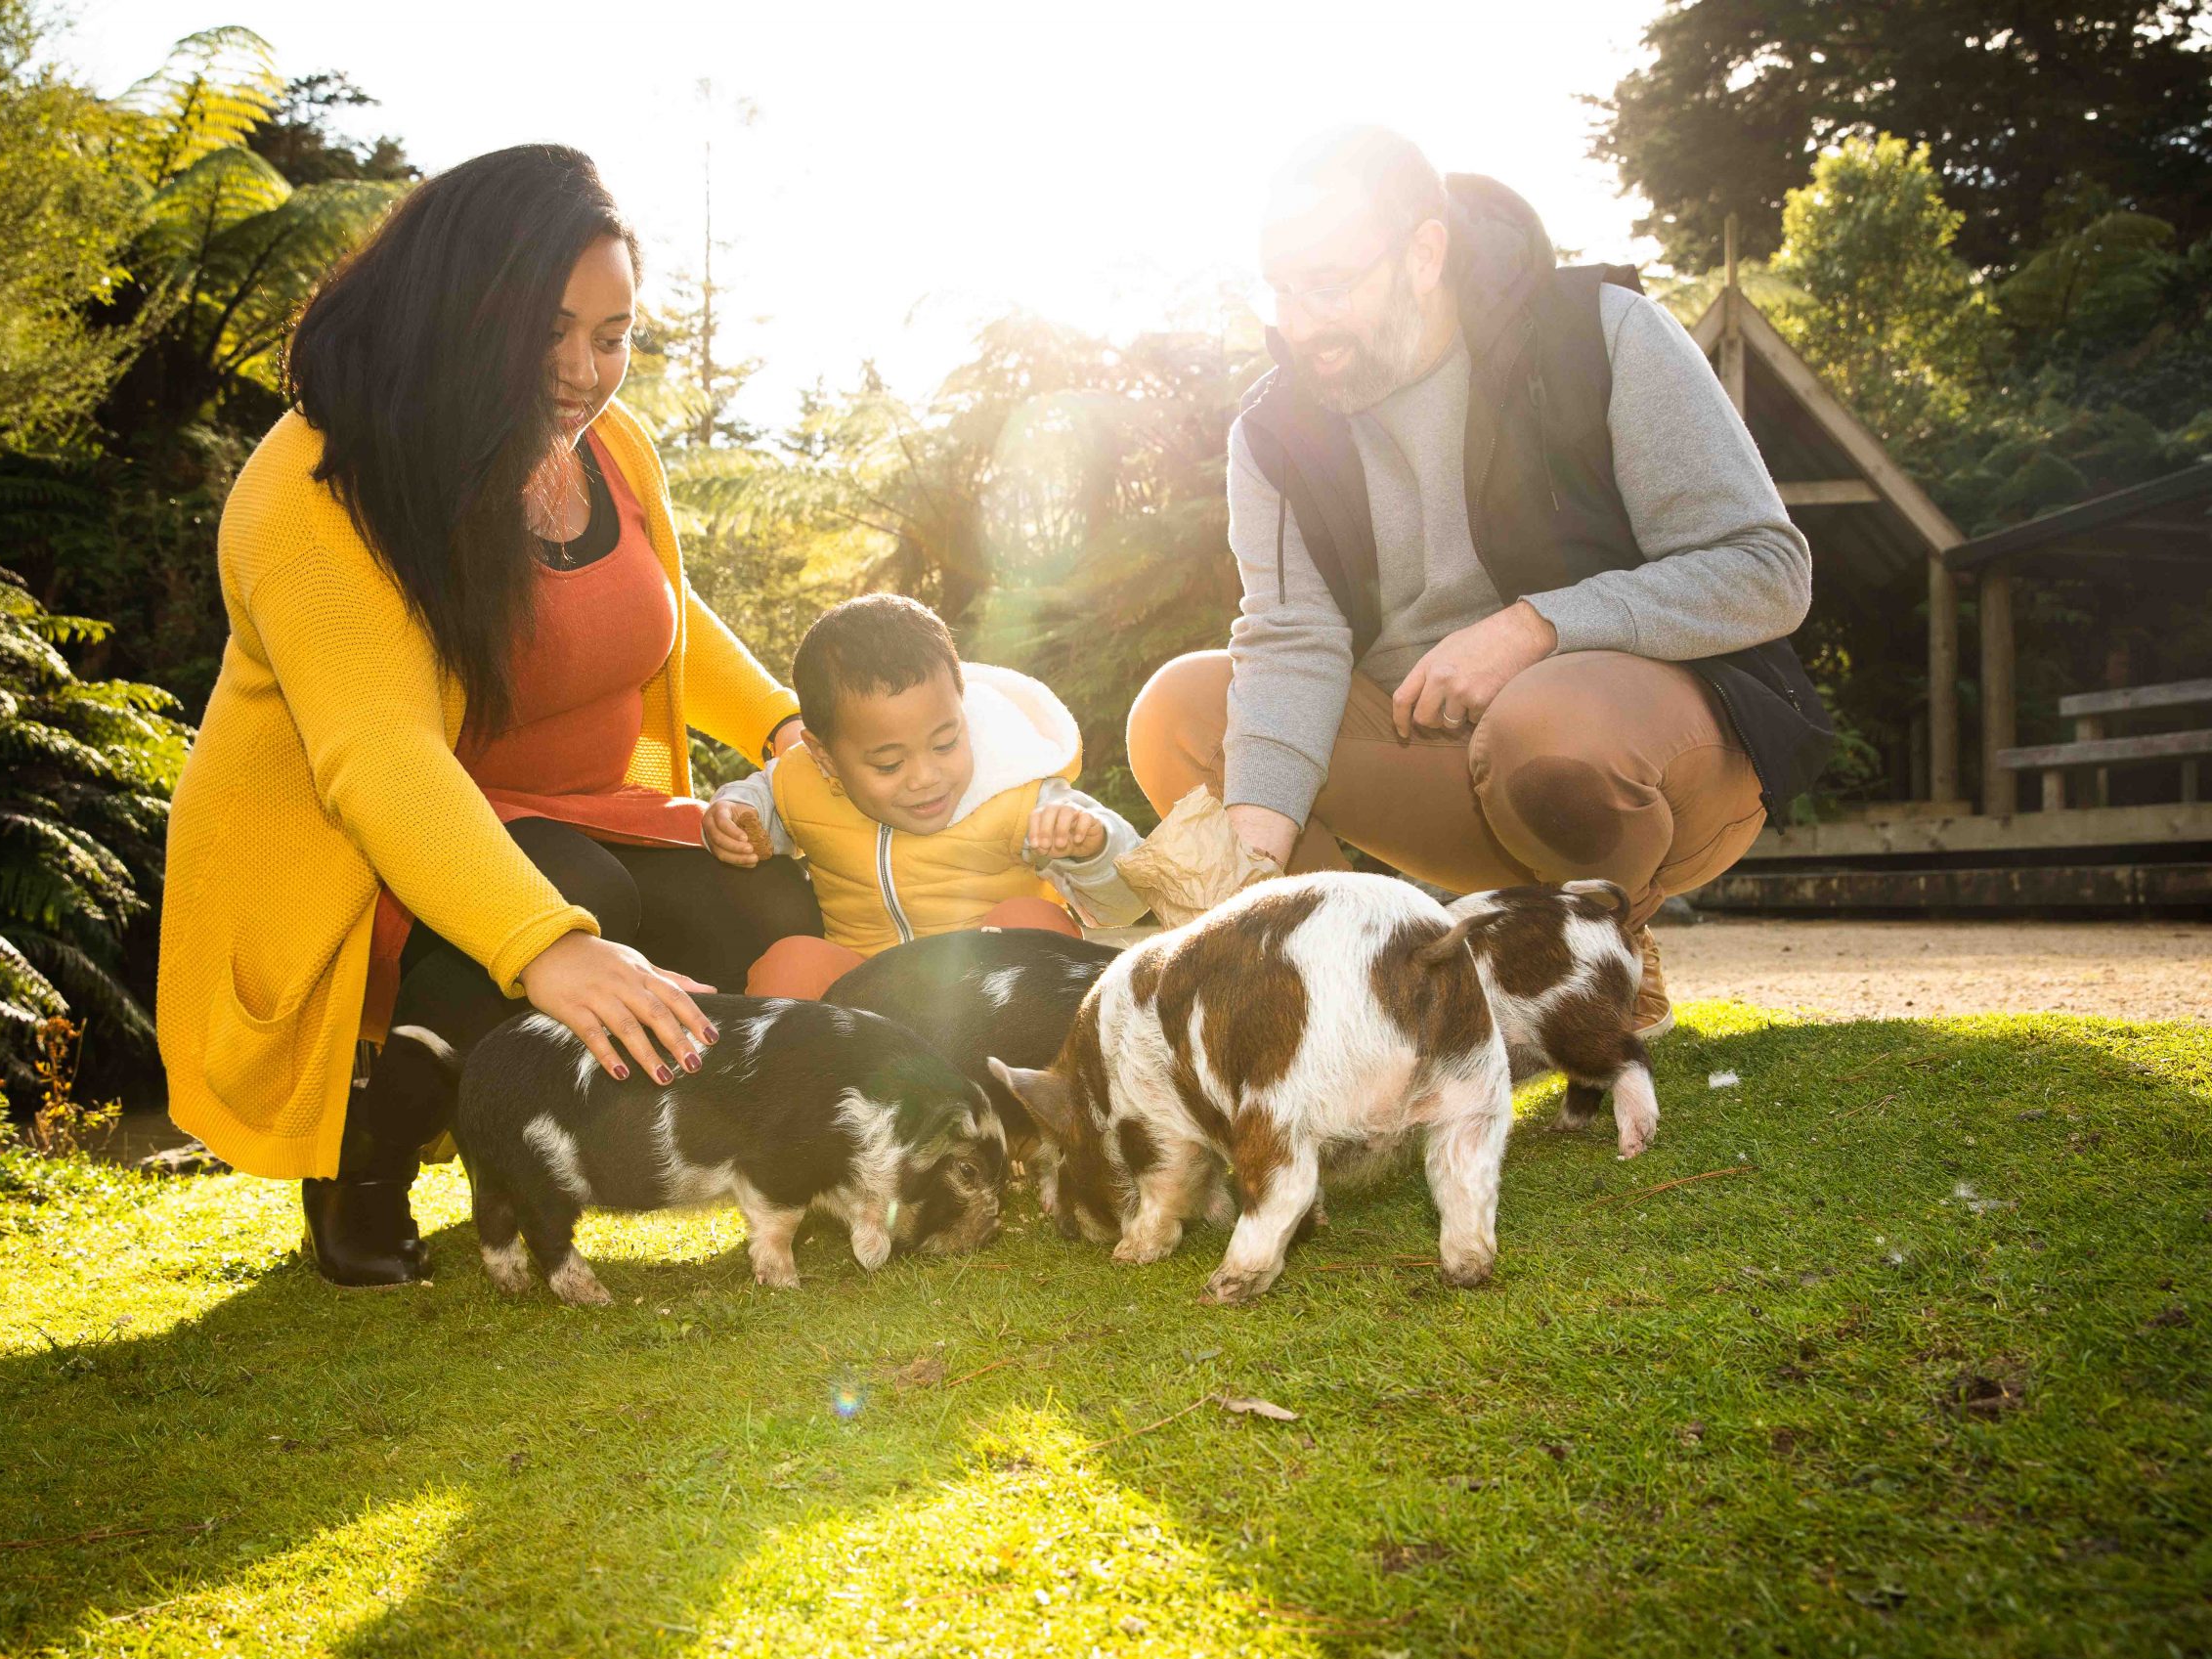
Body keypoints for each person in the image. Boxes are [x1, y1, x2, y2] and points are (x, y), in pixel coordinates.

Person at [156, 146, 822, 1288]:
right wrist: (547, 949)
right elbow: (380, 757)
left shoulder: (609, 448)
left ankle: (673, 1140)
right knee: (579, 894)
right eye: (546, 331)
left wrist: (781, 725)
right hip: (375, 854)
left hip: (577, 818)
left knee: (769, 900)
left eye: (610, 338)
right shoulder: (323, 483)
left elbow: (654, 610)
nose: (580, 372)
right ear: (463, 310)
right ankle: (368, 1152)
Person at [1126, 127, 1833, 1035]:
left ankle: (1604, 949)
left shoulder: (1603, 335)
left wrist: (1533, 628)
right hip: (1436, 763)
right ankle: (1333, 1021)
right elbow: (1290, 639)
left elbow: (1767, 571)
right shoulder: (1273, 432)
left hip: (1643, 764)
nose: (1298, 324)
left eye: (1329, 285)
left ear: (1424, 253)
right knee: (1181, 715)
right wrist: (1251, 859)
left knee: (1548, 729)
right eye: (1283, 289)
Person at [702, 593, 1146, 998]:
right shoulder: (801, 782)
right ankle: (799, 1082)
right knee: (791, 961)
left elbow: (1128, 900)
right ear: (825, 756)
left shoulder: (1019, 789)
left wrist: (1093, 849)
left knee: (1034, 922)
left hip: (994, 998)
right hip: (870, 992)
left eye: (945, 743)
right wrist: (735, 815)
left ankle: (1035, 1078)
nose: (925, 777)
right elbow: (759, 796)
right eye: (889, 764)